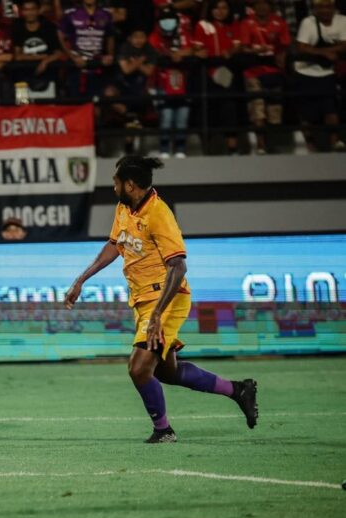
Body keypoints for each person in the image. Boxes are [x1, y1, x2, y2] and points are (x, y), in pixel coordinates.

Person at [63, 156, 258, 444]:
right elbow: (115, 244)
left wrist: (157, 315)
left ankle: (163, 430)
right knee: (168, 372)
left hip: (166, 300)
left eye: (116, 183)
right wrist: (81, 279)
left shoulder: (159, 214)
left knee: (139, 368)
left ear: (130, 185)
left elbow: (178, 266)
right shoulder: (125, 208)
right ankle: (238, 390)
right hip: (143, 300)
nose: (113, 187)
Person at [239, 0, 291, 154]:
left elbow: (284, 46)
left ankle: (272, 144)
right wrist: (256, 51)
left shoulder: (279, 22)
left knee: (274, 110)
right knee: (257, 109)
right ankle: (261, 145)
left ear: (271, 6)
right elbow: (244, 48)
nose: (262, 7)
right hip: (253, 71)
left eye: (265, 3)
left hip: (273, 71)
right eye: (258, 4)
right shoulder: (247, 23)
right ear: (253, 7)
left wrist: (281, 57)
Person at [294, 0, 346, 152]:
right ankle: (310, 144)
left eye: (328, 6)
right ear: (315, 9)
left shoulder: (342, 21)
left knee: (331, 108)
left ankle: (335, 141)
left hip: (327, 72)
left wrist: (320, 51)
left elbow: (345, 45)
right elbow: (301, 47)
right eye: (320, 7)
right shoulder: (308, 23)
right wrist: (326, 52)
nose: (324, 10)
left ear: (334, 8)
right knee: (306, 112)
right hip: (305, 72)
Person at [193, 0, 242, 155]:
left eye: (224, 8)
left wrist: (231, 52)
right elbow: (196, 47)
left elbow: (238, 45)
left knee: (230, 111)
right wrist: (198, 52)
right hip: (207, 76)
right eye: (216, 8)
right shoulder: (202, 25)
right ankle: (207, 151)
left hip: (228, 75)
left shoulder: (233, 24)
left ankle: (232, 150)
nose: (220, 11)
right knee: (208, 112)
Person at [149, 6, 198, 158]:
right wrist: (171, 54)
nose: (167, 23)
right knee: (166, 118)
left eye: (170, 20)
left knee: (182, 119)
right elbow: (153, 50)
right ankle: (164, 149)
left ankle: (180, 149)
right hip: (162, 84)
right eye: (164, 20)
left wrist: (179, 53)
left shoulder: (183, 35)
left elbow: (191, 49)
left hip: (183, 84)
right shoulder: (154, 36)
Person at [59, 0, 115, 98]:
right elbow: (61, 35)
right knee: (77, 102)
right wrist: (73, 57)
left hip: (97, 65)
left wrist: (110, 55)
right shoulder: (71, 13)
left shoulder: (106, 14)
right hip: (77, 66)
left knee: (97, 102)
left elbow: (110, 36)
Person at [12, 0, 63, 93]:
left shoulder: (49, 27)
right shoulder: (17, 27)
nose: (30, 13)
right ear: (22, 11)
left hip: (48, 76)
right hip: (23, 77)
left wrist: (46, 61)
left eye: (33, 9)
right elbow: (17, 56)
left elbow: (59, 53)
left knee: (49, 105)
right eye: (26, 10)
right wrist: (41, 57)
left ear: (39, 10)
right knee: (22, 105)